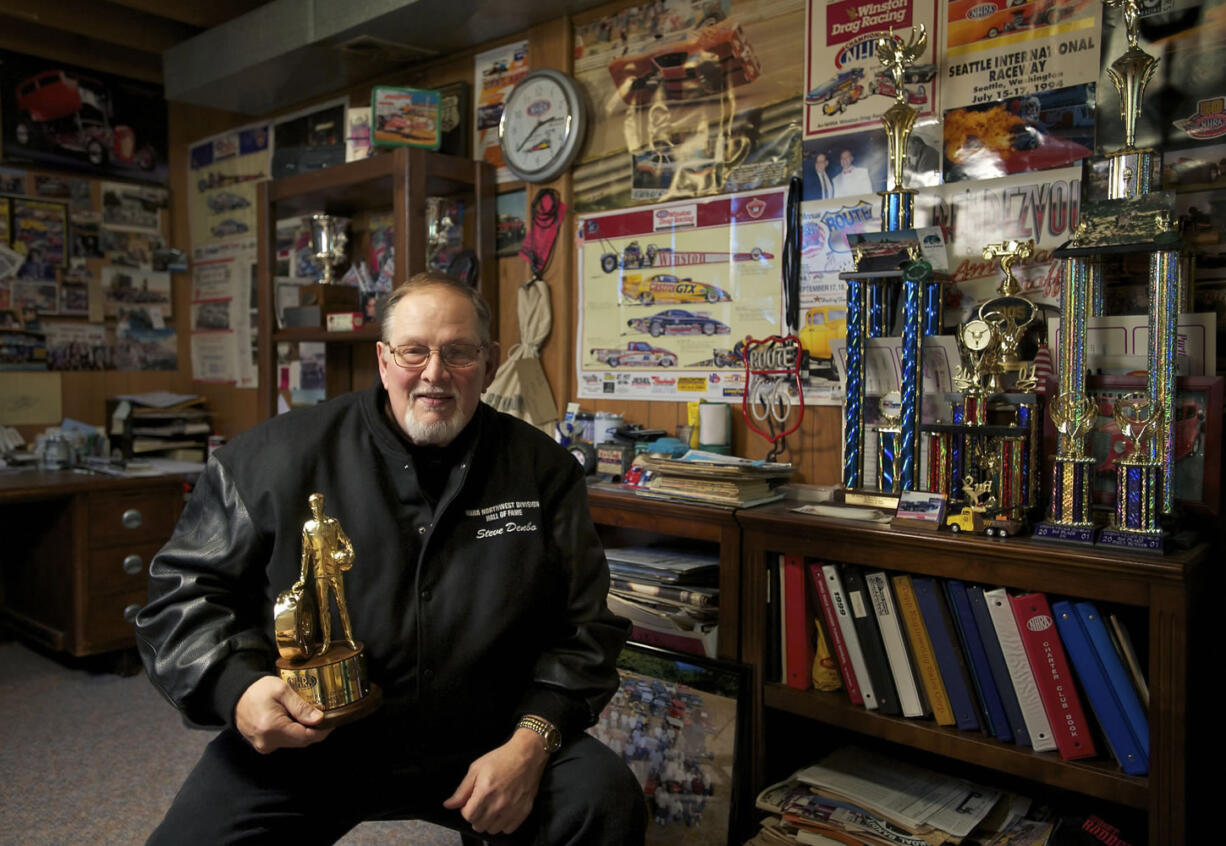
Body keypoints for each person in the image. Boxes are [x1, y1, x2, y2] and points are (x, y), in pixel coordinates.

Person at [136, 271, 646, 845]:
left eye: (458, 352)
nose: (434, 373)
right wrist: (238, 689)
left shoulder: (543, 471)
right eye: (413, 351)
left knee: (601, 801)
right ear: (383, 360)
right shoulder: (271, 460)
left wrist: (531, 742)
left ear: (491, 362)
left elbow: (585, 629)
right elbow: (181, 597)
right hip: (311, 739)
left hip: (487, 739)